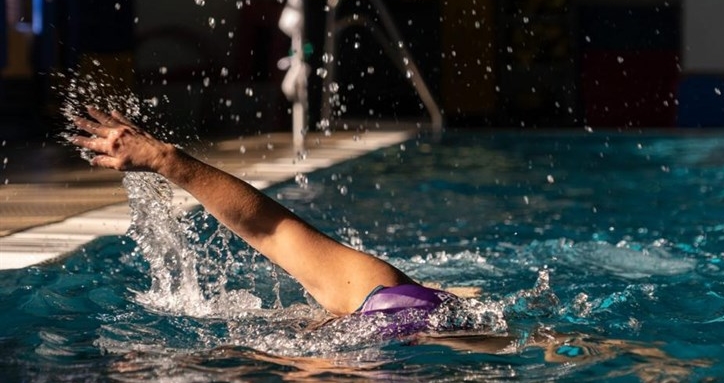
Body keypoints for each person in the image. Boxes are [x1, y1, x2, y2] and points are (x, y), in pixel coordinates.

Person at [69, 106, 454, 317]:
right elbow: (271, 230)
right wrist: (164, 160)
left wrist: (165, 160)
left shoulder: (386, 306)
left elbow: (272, 229)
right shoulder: (388, 306)